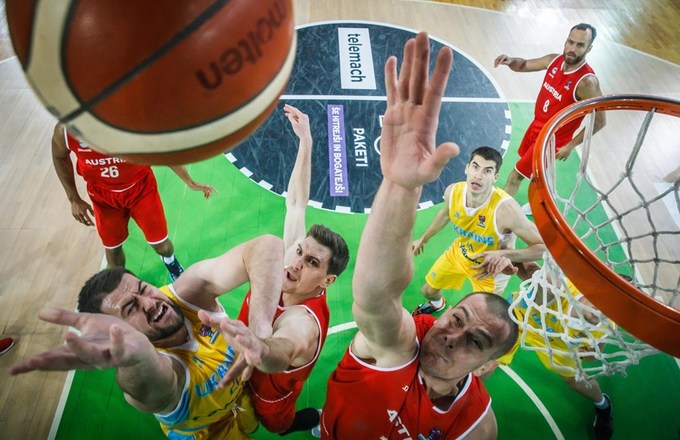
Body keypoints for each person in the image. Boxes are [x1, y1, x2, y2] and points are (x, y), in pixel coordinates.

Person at [318, 32, 519, 439]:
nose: (452, 337)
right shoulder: (400, 343)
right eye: (457, 319)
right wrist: (401, 187)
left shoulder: (477, 426)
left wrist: (517, 256)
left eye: (476, 341)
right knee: (425, 287)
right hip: (334, 429)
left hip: (479, 264)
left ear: (485, 368)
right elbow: (374, 296)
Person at [10, 233, 286, 439]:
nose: (150, 303)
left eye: (143, 289)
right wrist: (137, 358)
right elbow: (149, 386)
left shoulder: (187, 294)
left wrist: (260, 330)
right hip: (206, 432)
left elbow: (267, 245)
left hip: (241, 395)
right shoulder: (156, 369)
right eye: (131, 308)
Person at [200, 104, 350, 436]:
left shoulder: (304, 323)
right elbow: (296, 202)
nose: (296, 263)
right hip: (237, 362)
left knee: (276, 427)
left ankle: (314, 419)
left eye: (311, 263)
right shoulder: (290, 264)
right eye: (299, 251)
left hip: (270, 396)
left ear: (327, 281)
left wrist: (261, 348)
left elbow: (284, 348)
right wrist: (306, 141)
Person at [51, 123, 216, 280]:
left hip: (141, 190)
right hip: (103, 198)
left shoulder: (135, 126)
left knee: (163, 246)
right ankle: (120, 281)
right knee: (113, 249)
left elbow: (163, 153)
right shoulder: (66, 130)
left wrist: (189, 181)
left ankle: (170, 261)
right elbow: (59, 156)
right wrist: (73, 198)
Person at [411, 146, 546, 315]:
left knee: (477, 315)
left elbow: (543, 248)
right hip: (459, 253)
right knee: (428, 291)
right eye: (475, 167)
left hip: (491, 272)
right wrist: (423, 238)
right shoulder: (453, 191)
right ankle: (438, 304)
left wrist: (502, 255)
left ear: (495, 177)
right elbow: (445, 214)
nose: (478, 175)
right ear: (467, 168)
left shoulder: (506, 210)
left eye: (487, 171)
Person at [494, 23, 606, 212]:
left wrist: (571, 145)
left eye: (580, 45)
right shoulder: (554, 60)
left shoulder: (587, 82)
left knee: (515, 176)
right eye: (570, 42)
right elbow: (524, 65)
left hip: (552, 138)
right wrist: (510, 60)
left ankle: (498, 216)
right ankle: (545, 197)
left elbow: (600, 121)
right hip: (536, 125)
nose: (572, 48)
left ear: (589, 48)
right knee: (533, 169)